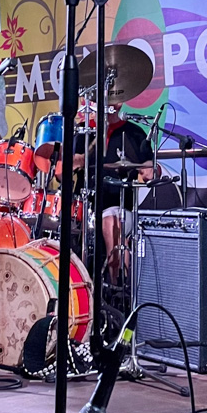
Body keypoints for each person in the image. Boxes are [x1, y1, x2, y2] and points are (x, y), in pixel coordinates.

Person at [71, 108, 155, 284]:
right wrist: (73, 161)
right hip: (83, 206)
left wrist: (150, 167)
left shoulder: (134, 133)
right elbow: (60, 173)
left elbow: (151, 172)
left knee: (112, 221)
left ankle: (118, 290)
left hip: (119, 206)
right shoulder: (83, 130)